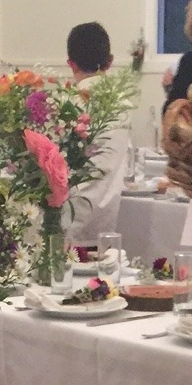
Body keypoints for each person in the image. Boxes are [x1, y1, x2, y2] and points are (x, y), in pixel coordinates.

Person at [64, 21, 130, 247]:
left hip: (69, 218)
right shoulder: (123, 104)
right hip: (107, 220)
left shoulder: (67, 104)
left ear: (71, 64)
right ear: (110, 61)